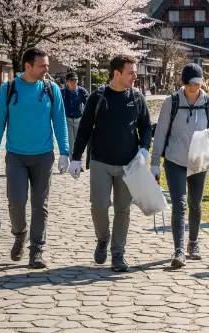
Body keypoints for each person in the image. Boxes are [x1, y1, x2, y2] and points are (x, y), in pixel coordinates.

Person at [0, 47, 70, 269]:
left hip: (43, 157)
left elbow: (59, 121)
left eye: (47, 66)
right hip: (16, 157)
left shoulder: (51, 89)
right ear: (27, 66)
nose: (46, 70)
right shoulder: (9, 89)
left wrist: (64, 151)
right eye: (42, 66)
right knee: (16, 202)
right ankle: (20, 233)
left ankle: (37, 250)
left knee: (40, 205)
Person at [68, 55, 152, 272]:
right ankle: (103, 238)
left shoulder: (137, 97)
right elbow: (85, 129)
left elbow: (146, 127)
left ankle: (118, 253)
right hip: (100, 162)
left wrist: (144, 148)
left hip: (128, 164)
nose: (135, 76)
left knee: (123, 210)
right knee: (99, 206)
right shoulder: (98, 98)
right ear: (117, 73)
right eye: (131, 72)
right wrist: (76, 158)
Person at [151, 63, 209, 268]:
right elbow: (161, 134)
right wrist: (155, 163)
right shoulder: (171, 102)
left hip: (199, 161)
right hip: (175, 160)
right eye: (190, 84)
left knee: (196, 204)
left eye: (197, 84)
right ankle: (179, 250)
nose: (194, 88)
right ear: (183, 83)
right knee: (180, 204)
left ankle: (193, 242)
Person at [62, 72, 90, 159]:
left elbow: (88, 105)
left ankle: (79, 159)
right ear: (67, 82)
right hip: (67, 120)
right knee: (70, 142)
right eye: (72, 80)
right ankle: (72, 160)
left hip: (79, 119)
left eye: (76, 80)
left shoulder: (82, 91)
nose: (74, 82)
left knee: (79, 141)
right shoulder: (62, 92)